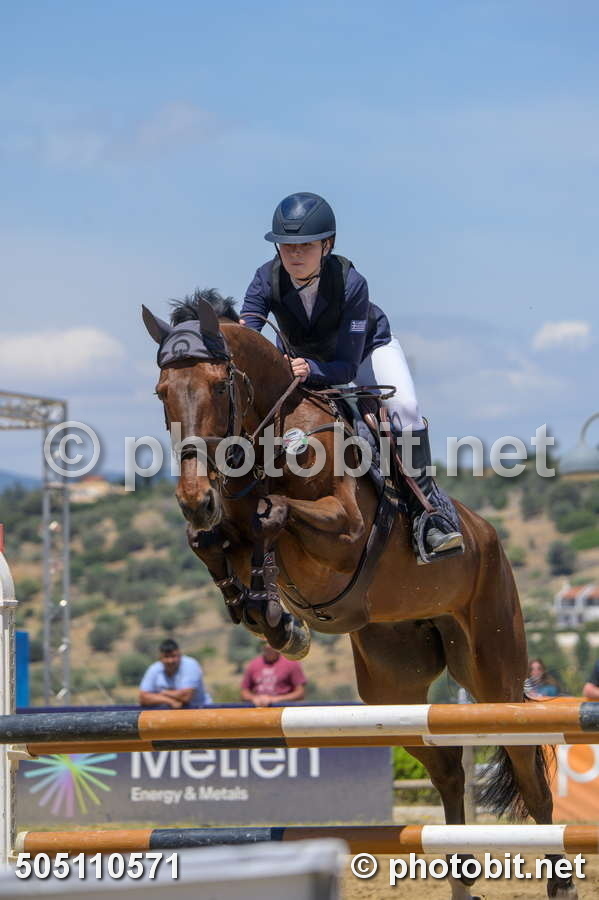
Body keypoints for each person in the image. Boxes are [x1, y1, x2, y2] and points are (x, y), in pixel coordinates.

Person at [240, 192, 464, 564]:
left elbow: (345, 367)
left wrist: (310, 369)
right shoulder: (266, 278)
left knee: (405, 408)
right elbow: (249, 335)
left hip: (364, 351)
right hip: (301, 361)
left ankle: (430, 516)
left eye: (306, 245)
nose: (295, 254)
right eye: (287, 246)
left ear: (327, 245)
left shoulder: (351, 283)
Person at [139, 639, 212, 709]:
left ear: (180, 655)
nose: (170, 661)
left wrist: (163, 693)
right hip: (169, 714)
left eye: (173, 656)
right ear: (160, 657)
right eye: (166, 657)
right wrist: (170, 701)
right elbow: (143, 698)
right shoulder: (154, 668)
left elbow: (186, 696)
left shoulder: (190, 665)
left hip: (200, 710)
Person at [241, 645, 306, 707]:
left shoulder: (291, 663)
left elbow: (300, 693)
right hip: (258, 711)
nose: (268, 646)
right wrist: (254, 698)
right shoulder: (253, 664)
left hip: (283, 710)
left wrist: (276, 699)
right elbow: (244, 692)